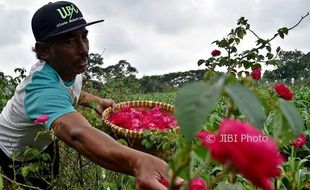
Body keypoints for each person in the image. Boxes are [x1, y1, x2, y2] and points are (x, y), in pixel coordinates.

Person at [0, 1, 181, 189]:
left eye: (84, 36)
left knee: (51, 180)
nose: (84, 49)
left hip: (43, 143)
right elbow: (79, 134)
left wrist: (98, 101)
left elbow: (70, 90)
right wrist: (138, 162)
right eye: (69, 41)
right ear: (44, 50)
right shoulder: (40, 90)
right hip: (14, 154)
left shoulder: (69, 66)